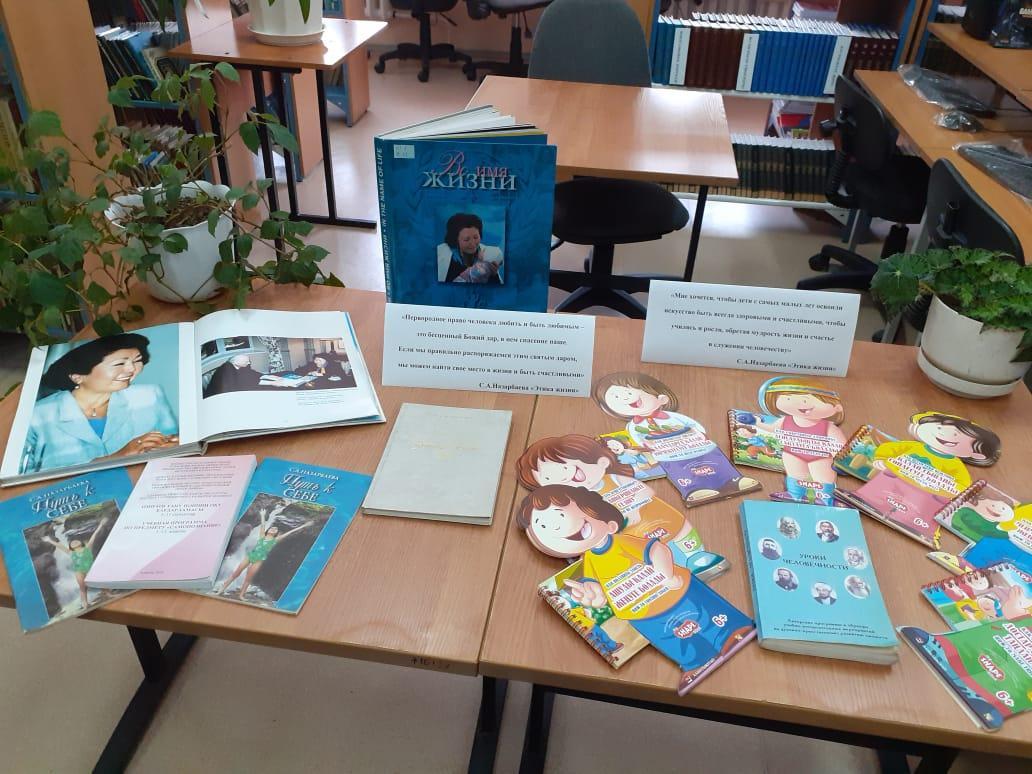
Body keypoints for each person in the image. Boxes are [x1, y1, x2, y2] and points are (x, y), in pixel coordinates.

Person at [517, 485, 755, 693]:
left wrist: (666, 574)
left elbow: (656, 550)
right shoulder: (589, 560)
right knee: (669, 636)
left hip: (673, 590)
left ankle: (733, 630)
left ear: (609, 524)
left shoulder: (621, 542)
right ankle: (695, 662)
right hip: (640, 612)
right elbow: (596, 588)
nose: (555, 527)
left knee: (704, 612)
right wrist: (591, 597)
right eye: (543, 526)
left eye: (561, 516)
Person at [516, 434, 704, 566]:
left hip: (653, 522)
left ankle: (696, 557)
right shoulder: (569, 504)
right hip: (624, 543)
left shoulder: (613, 479)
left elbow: (645, 492)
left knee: (676, 536)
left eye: (567, 468)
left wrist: (634, 508)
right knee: (641, 559)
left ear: (602, 462)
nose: (563, 477)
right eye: (549, 478)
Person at [20, 333, 179, 474]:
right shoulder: (36, 416)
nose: (132, 369)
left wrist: (172, 444)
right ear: (77, 376)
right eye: (119, 363)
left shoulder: (150, 396)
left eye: (137, 361)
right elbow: (24, 478)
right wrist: (118, 457)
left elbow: (172, 439)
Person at [756, 377, 847, 506]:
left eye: (806, 400)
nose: (800, 404)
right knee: (795, 474)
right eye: (788, 399)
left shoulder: (828, 427)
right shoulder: (786, 420)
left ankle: (825, 498)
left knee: (822, 478)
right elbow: (772, 428)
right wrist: (758, 423)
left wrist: (839, 458)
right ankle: (795, 494)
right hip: (793, 454)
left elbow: (841, 446)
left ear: (836, 407)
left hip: (820, 457)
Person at [217, 502, 313, 600]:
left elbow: (289, 533)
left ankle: (241, 595)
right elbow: (263, 525)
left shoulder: (274, 540)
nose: (273, 529)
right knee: (236, 573)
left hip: (259, 560)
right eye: (272, 528)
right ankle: (221, 589)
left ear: (276, 533)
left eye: (275, 529)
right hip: (250, 556)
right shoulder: (262, 536)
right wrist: (262, 515)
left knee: (248, 579)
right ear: (268, 530)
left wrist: (304, 526)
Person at [42, 519, 108, 609]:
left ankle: (107, 593)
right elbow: (60, 546)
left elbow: (94, 535)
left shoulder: (87, 548)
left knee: (100, 582)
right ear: (71, 547)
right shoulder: (71, 553)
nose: (74, 542)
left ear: (81, 543)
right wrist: (49, 540)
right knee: (83, 588)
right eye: (72, 543)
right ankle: (85, 603)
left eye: (76, 541)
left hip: (90, 569)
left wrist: (101, 525)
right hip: (80, 572)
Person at [436, 213, 503, 284]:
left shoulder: (488, 255)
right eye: (466, 239)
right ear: (455, 240)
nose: (472, 243)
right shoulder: (441, 255)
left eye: (476, 237)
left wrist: (493, 275)